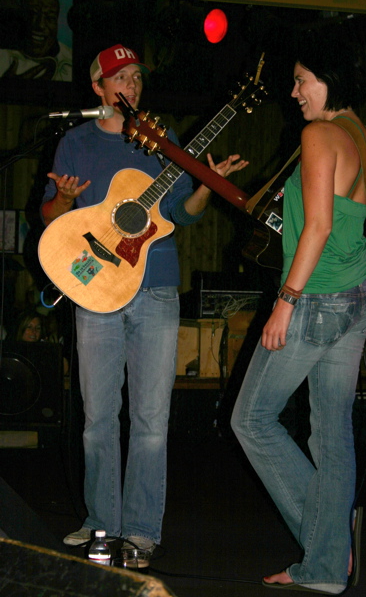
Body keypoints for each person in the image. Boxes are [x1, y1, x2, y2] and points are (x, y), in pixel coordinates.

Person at [41, 44, 248, 556]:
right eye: (120, 78)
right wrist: (64, 200)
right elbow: (50, 218)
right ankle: (100, 524)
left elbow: (186, 212)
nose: (130, 86)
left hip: (155, 288)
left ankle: (140, 532)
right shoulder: (76, 140)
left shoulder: (162, 141)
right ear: (97, 87)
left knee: (152, 420)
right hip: (97, 290)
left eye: (136, 77)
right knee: (97, 418)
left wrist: (206, 184)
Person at [231, 35, 366, 594]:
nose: (293, 92)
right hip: (358, 299)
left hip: (315, 302)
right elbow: (352, 227)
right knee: (332, 434)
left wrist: (284, 304)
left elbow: (317, 226)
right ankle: (325, 567)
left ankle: (327, 549)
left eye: (301, 80)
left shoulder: (319, 135)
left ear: (330, 78)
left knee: (251, 420)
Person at [0, 0, 72, 81]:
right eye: (32, 14)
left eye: (50, 18)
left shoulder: (70, 60)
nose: (40, 25)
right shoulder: (3, 55)